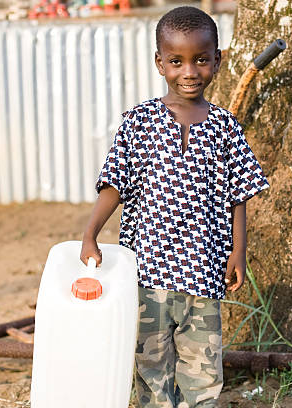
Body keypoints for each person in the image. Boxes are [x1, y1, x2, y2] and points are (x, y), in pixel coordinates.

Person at [80, 6, 269, 407]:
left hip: (203, 272)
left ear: (216, 61)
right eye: (177, 61)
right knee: (152, 368)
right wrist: (89, 233)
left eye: (201, 60)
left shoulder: (225, 127)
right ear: (159, 63)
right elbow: (114, 185)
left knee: (202, 368)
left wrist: (239, 251)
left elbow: (239, 196)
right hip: (148, 273)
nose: (190, 72)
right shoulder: (139, 122)